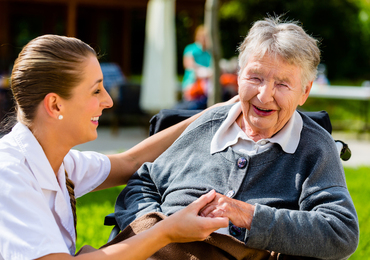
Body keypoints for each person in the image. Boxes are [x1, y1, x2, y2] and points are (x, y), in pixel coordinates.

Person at [115, 16, 359, 259]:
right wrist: (151, 231)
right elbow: (143, 181)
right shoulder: (208, 124)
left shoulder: (314, 148)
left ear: (304, 91)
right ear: (239, 76)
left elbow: (341, 232)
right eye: (255, 77)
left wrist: (249, 216)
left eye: (282, 84)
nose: (264, 96)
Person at [0, 34, 236, 260]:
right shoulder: (9, 174)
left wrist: (215, 114)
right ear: (55, 105)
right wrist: (167, 231)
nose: (108, 101)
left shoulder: (56, 160)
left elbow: (130, 162)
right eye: (95, 90)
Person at [176, 25, 212, 110]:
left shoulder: (209, 52)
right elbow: (188, 64)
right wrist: (205, 71)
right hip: (192, 84)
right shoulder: (190, 49)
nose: (205, 39)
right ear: (198, 36)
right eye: (204, 36)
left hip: (205, 87)